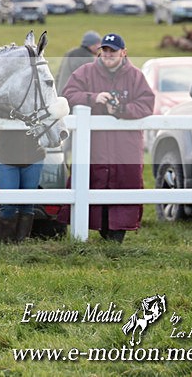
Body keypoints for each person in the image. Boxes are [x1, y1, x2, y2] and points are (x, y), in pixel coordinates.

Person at [59, 33, 155, 243]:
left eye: (113, 51)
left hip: (125, 147)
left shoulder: (136, 76)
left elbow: (147, 104)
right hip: (94, 145)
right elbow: (68, 95)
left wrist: (121, 109)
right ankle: (88, 231)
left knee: (124, 184)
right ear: (99, 51)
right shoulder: (85, 72)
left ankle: (116, 236)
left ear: (124, 52)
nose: (108, 55)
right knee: (91, 181)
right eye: (105, 50)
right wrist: (93, 98)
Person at [0, 129, 45, 243]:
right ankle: (7, 245)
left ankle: (22, 244)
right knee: (8, 205)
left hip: (34, 156)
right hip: (6, 157)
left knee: (28, 205)